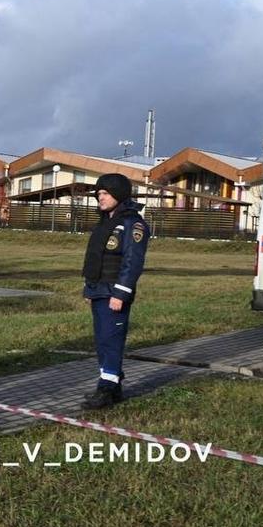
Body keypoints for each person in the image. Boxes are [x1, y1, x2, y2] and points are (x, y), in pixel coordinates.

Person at [81, 172, 150, 409]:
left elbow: (132, 263)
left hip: (114, 294)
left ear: (118, 194)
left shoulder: (133, 224)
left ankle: (106, 388)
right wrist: (89, 289)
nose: (100, 198)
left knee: (112, 341)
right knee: (102, 341)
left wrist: (120, 294)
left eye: (105, 193)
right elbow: (95, 258)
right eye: (98, 193)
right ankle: (112, 386)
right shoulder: (105, 223)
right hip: (99, 291)